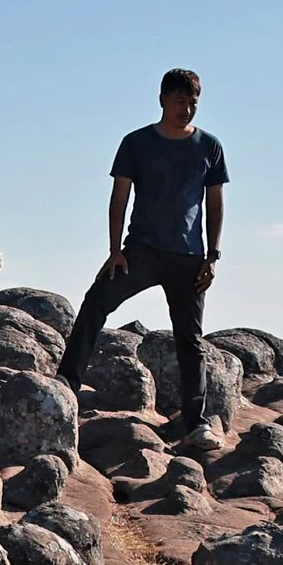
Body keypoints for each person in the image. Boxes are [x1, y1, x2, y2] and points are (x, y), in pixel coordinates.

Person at [55, 68, 229, 453]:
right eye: (181, 101)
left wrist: (212, 256)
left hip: (188, 257)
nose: (187, 109)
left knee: (190, 339)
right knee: (95, 303)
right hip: (141, 252)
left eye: (193, 102)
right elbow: (119, 197)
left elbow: (215, 203)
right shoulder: (136, 143)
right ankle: (66, 385)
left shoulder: (209, 147)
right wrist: (115, 249)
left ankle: (196, 424)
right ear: (163, 100)